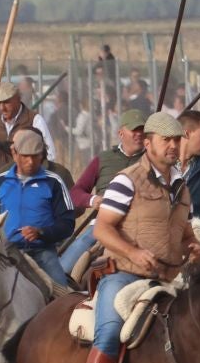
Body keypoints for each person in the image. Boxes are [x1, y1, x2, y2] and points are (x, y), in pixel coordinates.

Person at [82, 112, 200, 363]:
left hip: (170, 280)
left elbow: (184, 229)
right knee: (108, 333)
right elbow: (102, 228)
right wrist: (133, 252)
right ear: (147, 143)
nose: (173, 146)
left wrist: (193, 245)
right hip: (124, 276)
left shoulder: (181, 185)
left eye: (177, 140)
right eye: (167, 140)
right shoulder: (126, 180)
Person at [0, 128, 78, 290]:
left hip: (42, 251)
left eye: (35, 156)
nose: (30, 161)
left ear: (42, 155)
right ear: (15, 153)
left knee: (63, 296)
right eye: (25, 156)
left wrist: (41, 232)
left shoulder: (54, 182)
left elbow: (67, 223)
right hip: (5, 252)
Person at [62, 108, 148, 273]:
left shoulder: (152, 160)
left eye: (142, 130)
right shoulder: (103, 159)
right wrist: (93, 200)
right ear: (121, 133)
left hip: (139, 227)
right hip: (101, 225)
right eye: (134, 130)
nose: (139, 134)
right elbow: (76, 192)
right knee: (64, 268)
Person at [0, 78, 57, 160]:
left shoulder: (34, 120)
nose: (2, 108)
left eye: (6, 102)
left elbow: (50, 155)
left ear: (18, 99)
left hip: (26, 172)